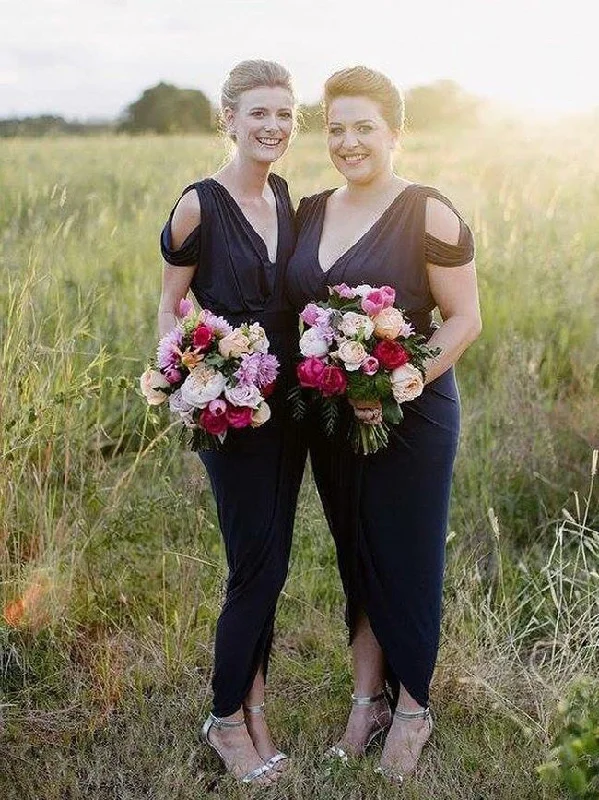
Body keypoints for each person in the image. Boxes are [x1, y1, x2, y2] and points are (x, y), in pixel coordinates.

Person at [286, 65, 482, 785]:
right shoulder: (308, 211)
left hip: (414, 413)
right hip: (331, 417)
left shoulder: (428, 209)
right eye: (335, 128)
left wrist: (402, 378)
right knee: (356, 554)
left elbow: (465, 318)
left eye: (363, 127)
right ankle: (364, 702)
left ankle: (412, 710)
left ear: (394, 133)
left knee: (405, 554)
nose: (347, 141)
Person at [158, 59, 306, 786]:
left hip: (292, 410)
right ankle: (225, 720)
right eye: (258, 114)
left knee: (271, 566)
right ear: (228, 118)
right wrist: (199, 384)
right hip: (234, 412)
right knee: (254, 567)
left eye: (283, 113)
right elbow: (170, 311)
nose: (272, 126)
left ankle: (255, 710)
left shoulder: (282, 194)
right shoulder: (198, 204)